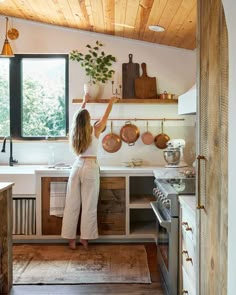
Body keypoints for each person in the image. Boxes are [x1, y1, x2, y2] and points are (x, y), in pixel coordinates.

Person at [61, 94, 118, 249]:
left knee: (71, 204)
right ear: (87, 120)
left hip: (77, 167)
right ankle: (85, 239)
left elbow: (78, 117)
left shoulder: (75, 133)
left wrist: (84, 101)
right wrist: (111, 101)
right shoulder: (95, 129)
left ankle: (70, 240)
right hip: (90, 168)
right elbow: (106, 116)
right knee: (89, 205)